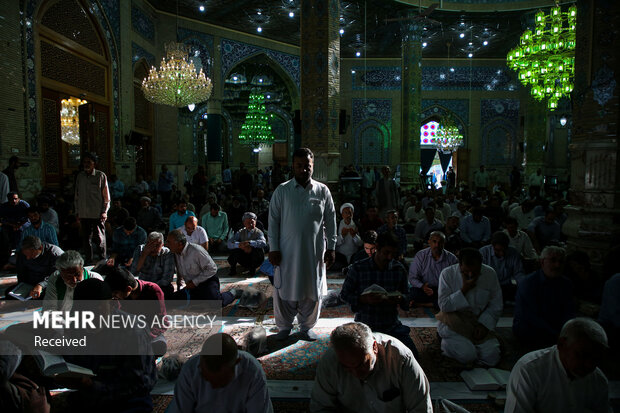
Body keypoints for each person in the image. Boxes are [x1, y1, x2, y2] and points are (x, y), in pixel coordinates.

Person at [268, 148, 337, 341]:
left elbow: (330, 221)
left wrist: (331, 247)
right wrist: (273, 248)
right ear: (293, 166)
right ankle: (284, 326)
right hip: (286, 251)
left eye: (307, 166)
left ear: (313, 166)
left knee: (312, 288)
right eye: (299, 165)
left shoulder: (322, 190)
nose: (303, 169)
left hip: (313, 251)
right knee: (284, 288)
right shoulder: (282, 190)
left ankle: (307, 326)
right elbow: (273, 221)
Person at [61, 278, 157, 413]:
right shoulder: (76, 326)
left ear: (111, 305)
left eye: (95, 310)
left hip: (128, 399)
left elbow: (142, 382)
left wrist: (94, 386)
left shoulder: (133, 330)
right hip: (90, 395)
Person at [310, 322, 432, 412]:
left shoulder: (400, 359)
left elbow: (421, 408)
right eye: (346, 367)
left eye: (361, 365)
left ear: (374, 347)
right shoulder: (330, 362)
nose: (356, 373)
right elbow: (320, 407)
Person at [505, 318, 611, 413]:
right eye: (582, 355)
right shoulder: (529, 369)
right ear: (562, 344)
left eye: (596, 358)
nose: (589, 364)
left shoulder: (598, 380)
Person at [340, 231, 417, 356]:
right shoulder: (358, 268)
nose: (389, 257)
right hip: (364, 326)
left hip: (391, 325)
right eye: (386, 253)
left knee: (411, 356)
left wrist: (400, 298)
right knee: (353, 358)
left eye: (393, 254)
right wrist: (362, 299)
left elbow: (407, 297)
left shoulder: (398, 269)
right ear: (377, 249)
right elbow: (344, 295)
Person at [169, 333, 273, 413]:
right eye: (207, 379)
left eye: (221, 381)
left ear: (236, 364)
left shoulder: (252, 371)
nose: (214, 387)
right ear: (200, 365)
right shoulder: (191, 370)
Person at [437, 248, 503, 366]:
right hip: (455, 322)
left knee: (492, 357)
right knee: (468, 355)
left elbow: (496, 304)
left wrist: (484, 325)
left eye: (475, 272)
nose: (471, 275)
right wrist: (464, 289)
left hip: (478, 322)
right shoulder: (447, 274)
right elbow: (444, 305)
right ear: (460, 265)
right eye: (466, 272)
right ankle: (446, 344)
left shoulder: (490, 274)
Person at [513, 246, 575, 350]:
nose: (557, 265)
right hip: (531, 328)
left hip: (555, 329)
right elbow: (530, 316)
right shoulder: (528, 283)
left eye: (561, 261)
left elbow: (569, 310)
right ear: (542, 262)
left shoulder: (567, 284)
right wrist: (556, 334)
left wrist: (565, 331)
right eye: (553, 260)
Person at [104, 266, 168, 355]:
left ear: (128, 289)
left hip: (149, 334)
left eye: (115, 293)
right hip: (127, 334)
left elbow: (161, 321)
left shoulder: (153, 290)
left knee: (159, 346)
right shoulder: (117, 298)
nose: (114, 297)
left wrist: (145, 336)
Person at [166, 229, 236, 305]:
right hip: (192, 285)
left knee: (215, 302)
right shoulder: (175, 253)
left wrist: (194, 282)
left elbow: (212, 269)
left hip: (207, 281)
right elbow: (180, 273)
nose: (167, 245)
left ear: (179, 244)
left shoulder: (196, 250)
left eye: (169, 242)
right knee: (173, 300)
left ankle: (232, 293)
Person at [75, 152, 110, 263]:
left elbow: (106, 197)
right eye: (85, 162)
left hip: (97, 214)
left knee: (99, 238)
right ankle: (89, 260)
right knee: (86, 239)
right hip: (84, 214)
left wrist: (104, 212)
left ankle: (102, 260)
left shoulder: (100, 176)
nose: (86, 164)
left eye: (89, 162)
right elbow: (77, 196)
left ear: (94, 164)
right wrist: (77, 212)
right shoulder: (80, 176)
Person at [409, 231, 458, 309]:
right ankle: (436, 304)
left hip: (443, 290)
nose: (437, 245)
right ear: (429, 242)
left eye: (440, 242)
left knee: (454, 297)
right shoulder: (420, 255)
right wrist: (422, 287)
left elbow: (455, 280)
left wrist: (443, 289)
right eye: (434, 241)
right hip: (424, 289)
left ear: (444, 243)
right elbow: (412, 277)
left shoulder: (452, 259)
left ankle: (421, 305)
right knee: (413, 293)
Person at [480, 231, 525, 302]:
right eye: (498, 250)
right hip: (488, 287)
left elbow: (518, 273)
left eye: (504, 250)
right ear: (492, 246)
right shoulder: (483, 252)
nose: (501, 253)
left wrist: (523, 286)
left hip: (506, 286)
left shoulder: (513, 252)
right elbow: (480, 274)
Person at [130, 231, 175, 298]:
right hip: (143, 285)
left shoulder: (167, 253)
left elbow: (166, 279)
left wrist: (152, 287)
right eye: (150, 245)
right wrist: (144, 255)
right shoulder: (140, 250)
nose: (153, 248)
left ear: (162, 245)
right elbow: (133, 272)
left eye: (157, 245)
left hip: (159, 286)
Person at [227, 212, 266, 276]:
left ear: (255, 222)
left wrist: (250, 243)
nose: (250, 224)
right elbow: (229, 243)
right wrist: (239, 245)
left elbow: (263, 243)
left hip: (255, 258)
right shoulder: (240, 232)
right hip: (244, 257)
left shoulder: (259, 232)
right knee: (235, 250)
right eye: (248, 223)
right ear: (244, 223)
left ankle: (252, 269)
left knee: (256, 251)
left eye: (252, 222)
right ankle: (233, 269)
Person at [334, 203, 363, 269]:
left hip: (354, 257)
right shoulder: (337, 225)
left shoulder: (357, 225)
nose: (348, 215)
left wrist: (354, 236)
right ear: (342, 214)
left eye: (350, 213)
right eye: (346, 213)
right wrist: (342, 236)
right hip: (340, 258)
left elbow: (361, 244)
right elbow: (334, 243)